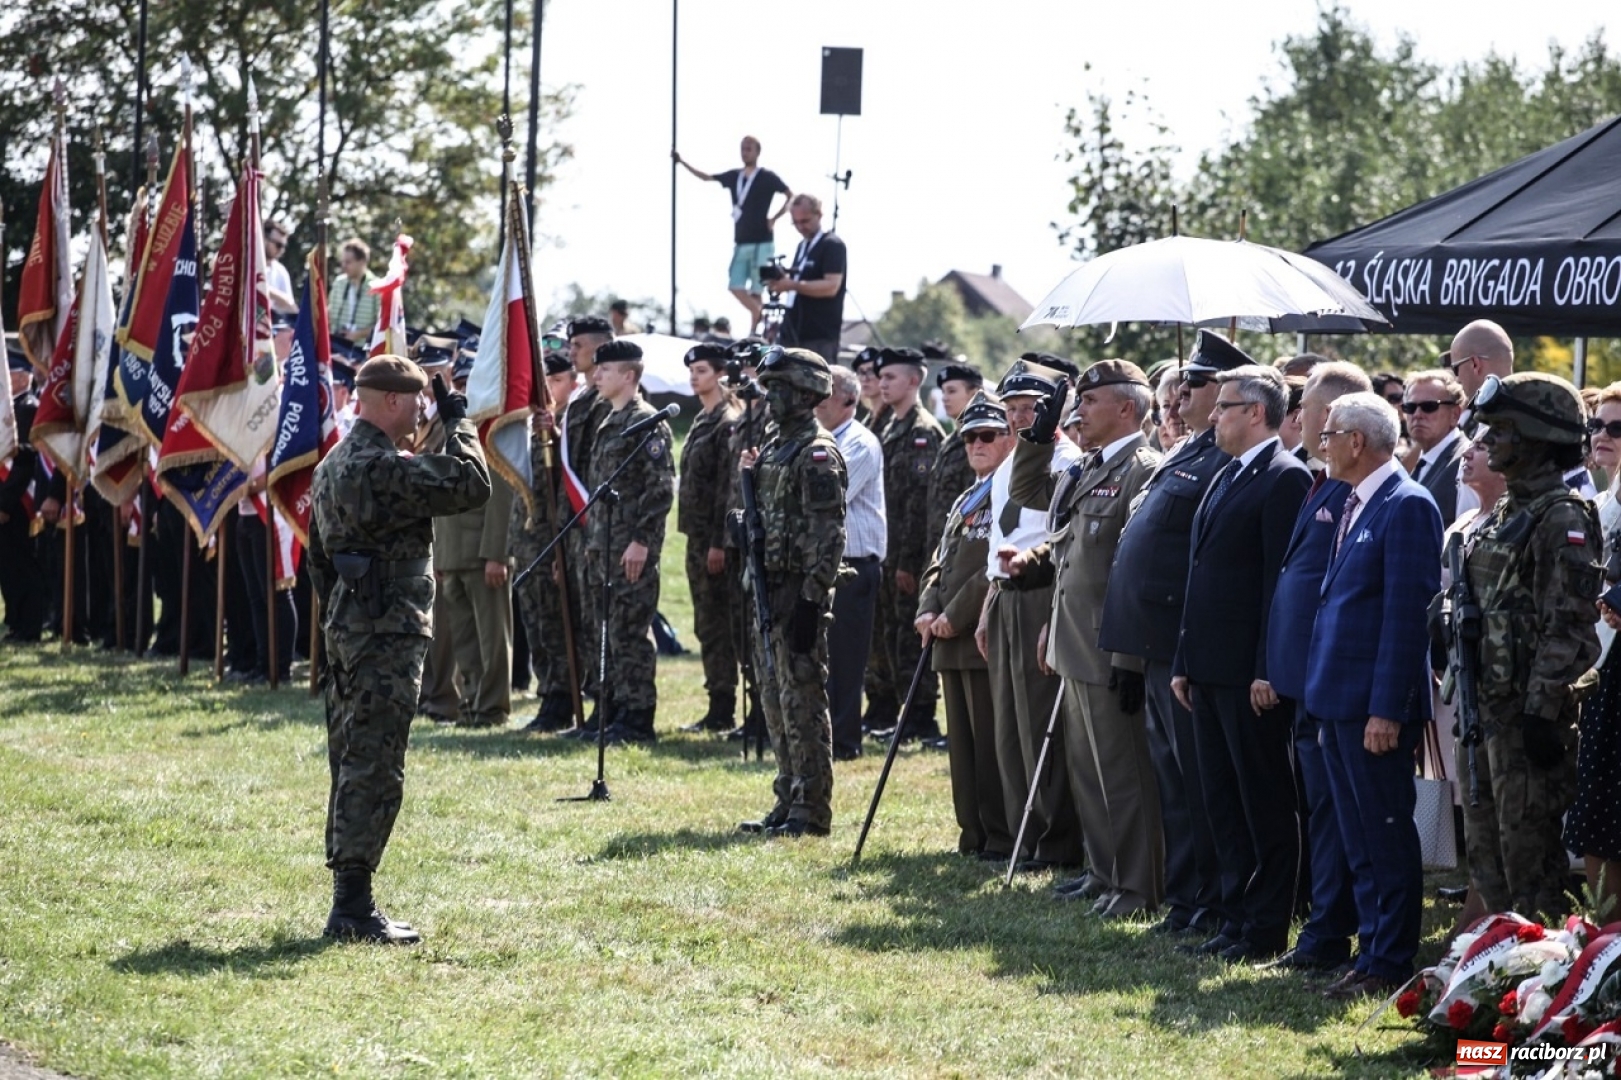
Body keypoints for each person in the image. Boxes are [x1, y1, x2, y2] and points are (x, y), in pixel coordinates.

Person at [308, 355, 491, 943]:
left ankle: (351, 899)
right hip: (384, 631)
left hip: (351, 623)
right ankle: (353, 909)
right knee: (374, 764)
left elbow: (318, 562)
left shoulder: (336, 461)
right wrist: (461, 421)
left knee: (352, 757)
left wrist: (343, 613)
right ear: (390, 401)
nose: (422, 413)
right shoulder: (377, 467)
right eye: (416, 403)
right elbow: (472, 483)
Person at [1097, 330, 1241, 938]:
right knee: (1174, 782)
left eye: (1198, 383)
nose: (1182, 391)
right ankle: (1185, 899)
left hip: (1184, 642)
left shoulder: (1222, 461)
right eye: (1184, 381)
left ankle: (1209, 901)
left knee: (1199, 784)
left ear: (1231, 392)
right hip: (1154, 645)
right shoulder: (1188, 450)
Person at [1011, 360, 1163, 917]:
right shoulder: (1089, 466)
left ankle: (1137, 884)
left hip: (1108, 643)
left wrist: (1127, 652)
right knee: (1088, 768)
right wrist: (1037, 434)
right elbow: (1028, 489)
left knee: (1122, 773)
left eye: (1089, 401)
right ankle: (1103, 872)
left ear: (1127, 407)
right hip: (1074, 639)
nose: (1079, 411)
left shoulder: (1143, 468)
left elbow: (1134, 567)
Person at [1170, 361, 1311, 962]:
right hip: (1207, 667)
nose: (1212, 414)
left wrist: (1266, 667)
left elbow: (1278, 585)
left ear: (1256, 412)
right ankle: (1231, 915)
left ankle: (1264, 926)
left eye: (1224, 405)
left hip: (1248, 675)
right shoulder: (1226, 474)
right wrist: (1184, 657)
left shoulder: (1284, 477)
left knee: (1263, 804)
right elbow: (1200, 574)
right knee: (1221, 801)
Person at [1305, 391, 1442, 998]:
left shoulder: (1407, 504)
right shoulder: (1355, 498)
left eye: (1330, 434)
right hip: (1337, 699)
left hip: (1372, 707)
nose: (1321, 444)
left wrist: (1387, 707)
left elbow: (1406, 617)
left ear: (1357, 442)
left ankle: (1390, 959)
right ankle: (1368, 951)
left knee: (1384, 832)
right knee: (1358, 836)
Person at [1454, 372, 1602, 922]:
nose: (1487, 441)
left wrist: (1542, 710)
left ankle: (1539, 984)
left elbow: (1568, 625)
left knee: (1529, 864)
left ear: (1535, 436)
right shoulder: (1503, 512)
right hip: (1485, 712)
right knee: (1488, 858)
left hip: (1526, 722)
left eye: (1500, 430)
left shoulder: (1560, 516)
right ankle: (1496, 977)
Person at [1260, 361, 1371, 977]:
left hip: (1329, 682)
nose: (1297, 419)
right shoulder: (1319, 484)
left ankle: (1329, 932)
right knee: (1320, 812)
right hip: (1303, 678)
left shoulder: (1354, 493)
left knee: (1333, 815)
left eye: (1306, 409)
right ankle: (1323, 927)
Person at [975, 358, 1086, 870]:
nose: (1020, 417)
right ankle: (1024, 832)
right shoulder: (1008, 462)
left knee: (1042, 720)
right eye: (1012, 408)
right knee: (1011, 727)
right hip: (1005, 593)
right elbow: (999, 538)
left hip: (1040, 592)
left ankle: (1055, 840)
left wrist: (1049, 615)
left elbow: (1055, 543)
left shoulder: (1065, 461)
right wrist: (987, 606)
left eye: (1030, 407)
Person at [734, 347, 847, 838]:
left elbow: (830, 534)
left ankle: (811, 809)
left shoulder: (816, 452)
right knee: (775, 702)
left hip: (797, 593)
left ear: (806, 393)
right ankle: (787, 797)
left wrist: (810, 599)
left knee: (802, 701)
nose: (769, 396)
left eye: (778, 388)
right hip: (767, 586)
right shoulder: (777, 444)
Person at [918, 391, 1014, 859]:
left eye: (988, 436)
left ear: (1008, 439)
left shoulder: (1009, 493)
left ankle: (998, 835)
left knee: (988, 746)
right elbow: (941, 561)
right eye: (969, 437)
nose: (976, 444)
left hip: (977, 633)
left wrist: (953, 615)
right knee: (961, 745)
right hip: (943, 634)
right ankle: (971, 833)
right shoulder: (965, 496)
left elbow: (992, 566)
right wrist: (926, 607)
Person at [582, 340, 675, 744]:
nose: (597, 376)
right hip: (603, 545)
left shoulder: (648, 422)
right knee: (607, 631)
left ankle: (638, 718)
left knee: (630, 632)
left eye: (606, 370)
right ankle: (611, 709)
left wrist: (642, 542)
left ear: (629, 376)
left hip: (629, 548)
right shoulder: (608, 419)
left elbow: (659, 491)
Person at [431, 353, 516, 729]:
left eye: (470, 385)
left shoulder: (487, 432)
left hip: (483, 554)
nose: (463, 392)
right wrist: (439, 556)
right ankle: (470, 703)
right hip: (452, 552)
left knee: (492, 640)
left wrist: (496, 554)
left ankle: (492, 707)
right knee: (465, 640)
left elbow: (500, 497)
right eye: (460, 383)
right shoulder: (449, 428)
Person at [870, 348, 945, 744]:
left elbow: (921, 505)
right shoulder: (886, 425)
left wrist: (908, 562)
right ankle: (896, 711)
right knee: (889, 637)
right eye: (880, 378)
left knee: (910, 640)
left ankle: (920, 716)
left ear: (914, 382)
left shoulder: (922, 432)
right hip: (885, 551)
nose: (882, 384)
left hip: (907, 557)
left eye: (891, 378)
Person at [813, 365, 887, 761]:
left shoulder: (858, 442)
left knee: (845, 659)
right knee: (823, 654)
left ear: (848, 401)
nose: (817, 404)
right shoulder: (819, 439)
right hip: (827, 563)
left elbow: (831, 494)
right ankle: (825, 736)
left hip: (854, 563)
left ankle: (843, 741)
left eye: (824, 396)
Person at [1566, 387, 1621, 914]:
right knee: (1597, 806)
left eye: (1616, 428)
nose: (1602, 436)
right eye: (1597, 426)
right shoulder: (1599, 503)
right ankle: (1601, 926)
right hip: (1598, 665)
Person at [513, 351, 583, 733]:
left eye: (555, 382)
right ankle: (547, 696)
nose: (547, 391)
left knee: (557, 625)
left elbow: (569, 482)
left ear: (571, 383)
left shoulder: (571, 425)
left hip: (552, 541)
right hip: (527, 543)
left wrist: (553, 435)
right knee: (537, 624)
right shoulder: (526, 428)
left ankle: (561, 700)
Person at [677, 344, 742, 733]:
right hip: (696, 537)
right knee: (706, 623)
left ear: (720, 374)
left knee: (720, 624)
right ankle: (716, 702)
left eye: (701, 370)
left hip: (714, 541)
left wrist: (719, 541)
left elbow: (726, 488)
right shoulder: (704, 418)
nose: (694, 377)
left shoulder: (726, 421)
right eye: (692, 371)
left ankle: (725, 706)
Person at [673, 136, 793, 335]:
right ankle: (758, 313)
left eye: (748, 149)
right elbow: (706, 177)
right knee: (735, 284)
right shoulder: (735, 176)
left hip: (762, 241)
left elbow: (790, 195)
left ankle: (755, 331)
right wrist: (683, 162)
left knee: (757, 289)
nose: (745, 152)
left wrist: (775, 218)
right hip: (742, 241)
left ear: (757, 152)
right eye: (742, 148)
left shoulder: (767, 177)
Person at [770, 194, 846, 365]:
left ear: (819, 215)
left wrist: (792, 285)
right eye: (795, 222)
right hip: (793, 330)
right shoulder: (802, 246)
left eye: (804, 221)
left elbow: (831, 286)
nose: (800, 227)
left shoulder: (832, 244)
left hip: (819, 334)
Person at [928, 362, 984, 556]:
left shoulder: (984, 441)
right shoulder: (949, 442)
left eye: (952, 391)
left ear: (974, 393)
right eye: (943, 392)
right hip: (938, 548)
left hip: (962, 551)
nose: (945, 398)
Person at [1403, 368, 1471, 523]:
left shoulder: (1466, 461)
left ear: (1455, 414)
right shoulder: (1411, 464)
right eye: (1410, 407)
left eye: (1429, 406)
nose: (1417, 414)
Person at [327, 238, 379, 346]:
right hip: (336, 346)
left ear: (362, 262)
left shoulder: (377, 286)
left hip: (362, 350)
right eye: (343, 261)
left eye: (348, 262)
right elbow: (329, 314)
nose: (344, 266)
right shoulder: (338, 283)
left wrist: (358, 334)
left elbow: (382, 326)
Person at [263, 219, 298, 315]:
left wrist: (266, 290)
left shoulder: (280, 271)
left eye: (283, 246)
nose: (281, 250)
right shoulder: (246, 265)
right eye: (278, 245)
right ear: (264, 239)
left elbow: (291, 307)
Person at [851, 347, 887, 431]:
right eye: (861, 372)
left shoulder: (894, 417)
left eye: (871, 372)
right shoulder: (867, 417)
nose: (864, 379)